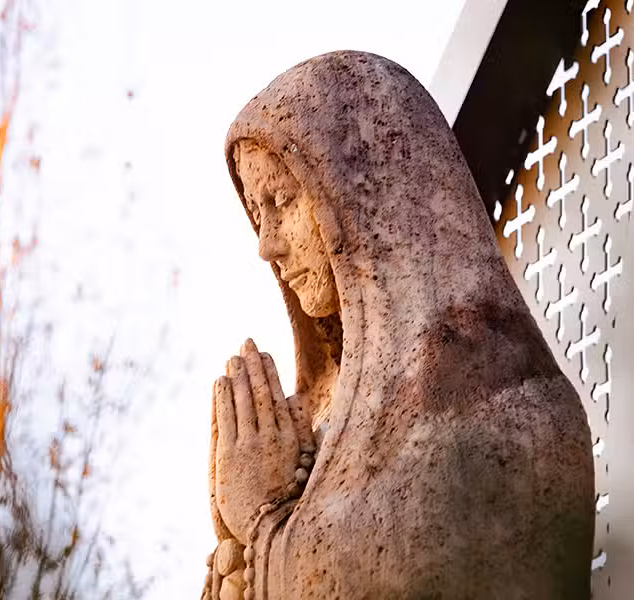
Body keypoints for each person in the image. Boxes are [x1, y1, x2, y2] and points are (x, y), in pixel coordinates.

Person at [204, 51, 594, 599]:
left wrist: (266, 524)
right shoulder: (310, 438)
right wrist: (236, 543)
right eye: (256, 210)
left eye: (283, 200)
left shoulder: (517, 406)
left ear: (366, 191)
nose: (266, 244)